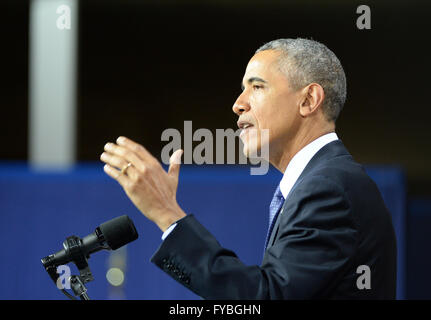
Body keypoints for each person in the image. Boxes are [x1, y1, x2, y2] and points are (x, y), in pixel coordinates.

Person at [100, 38, 397, 299]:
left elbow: (265, 297)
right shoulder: (323, 181)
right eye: (242, 89)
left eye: (256, 86)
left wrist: (166, 213)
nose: (237, 104)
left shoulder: (329, 188)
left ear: (308, 100)